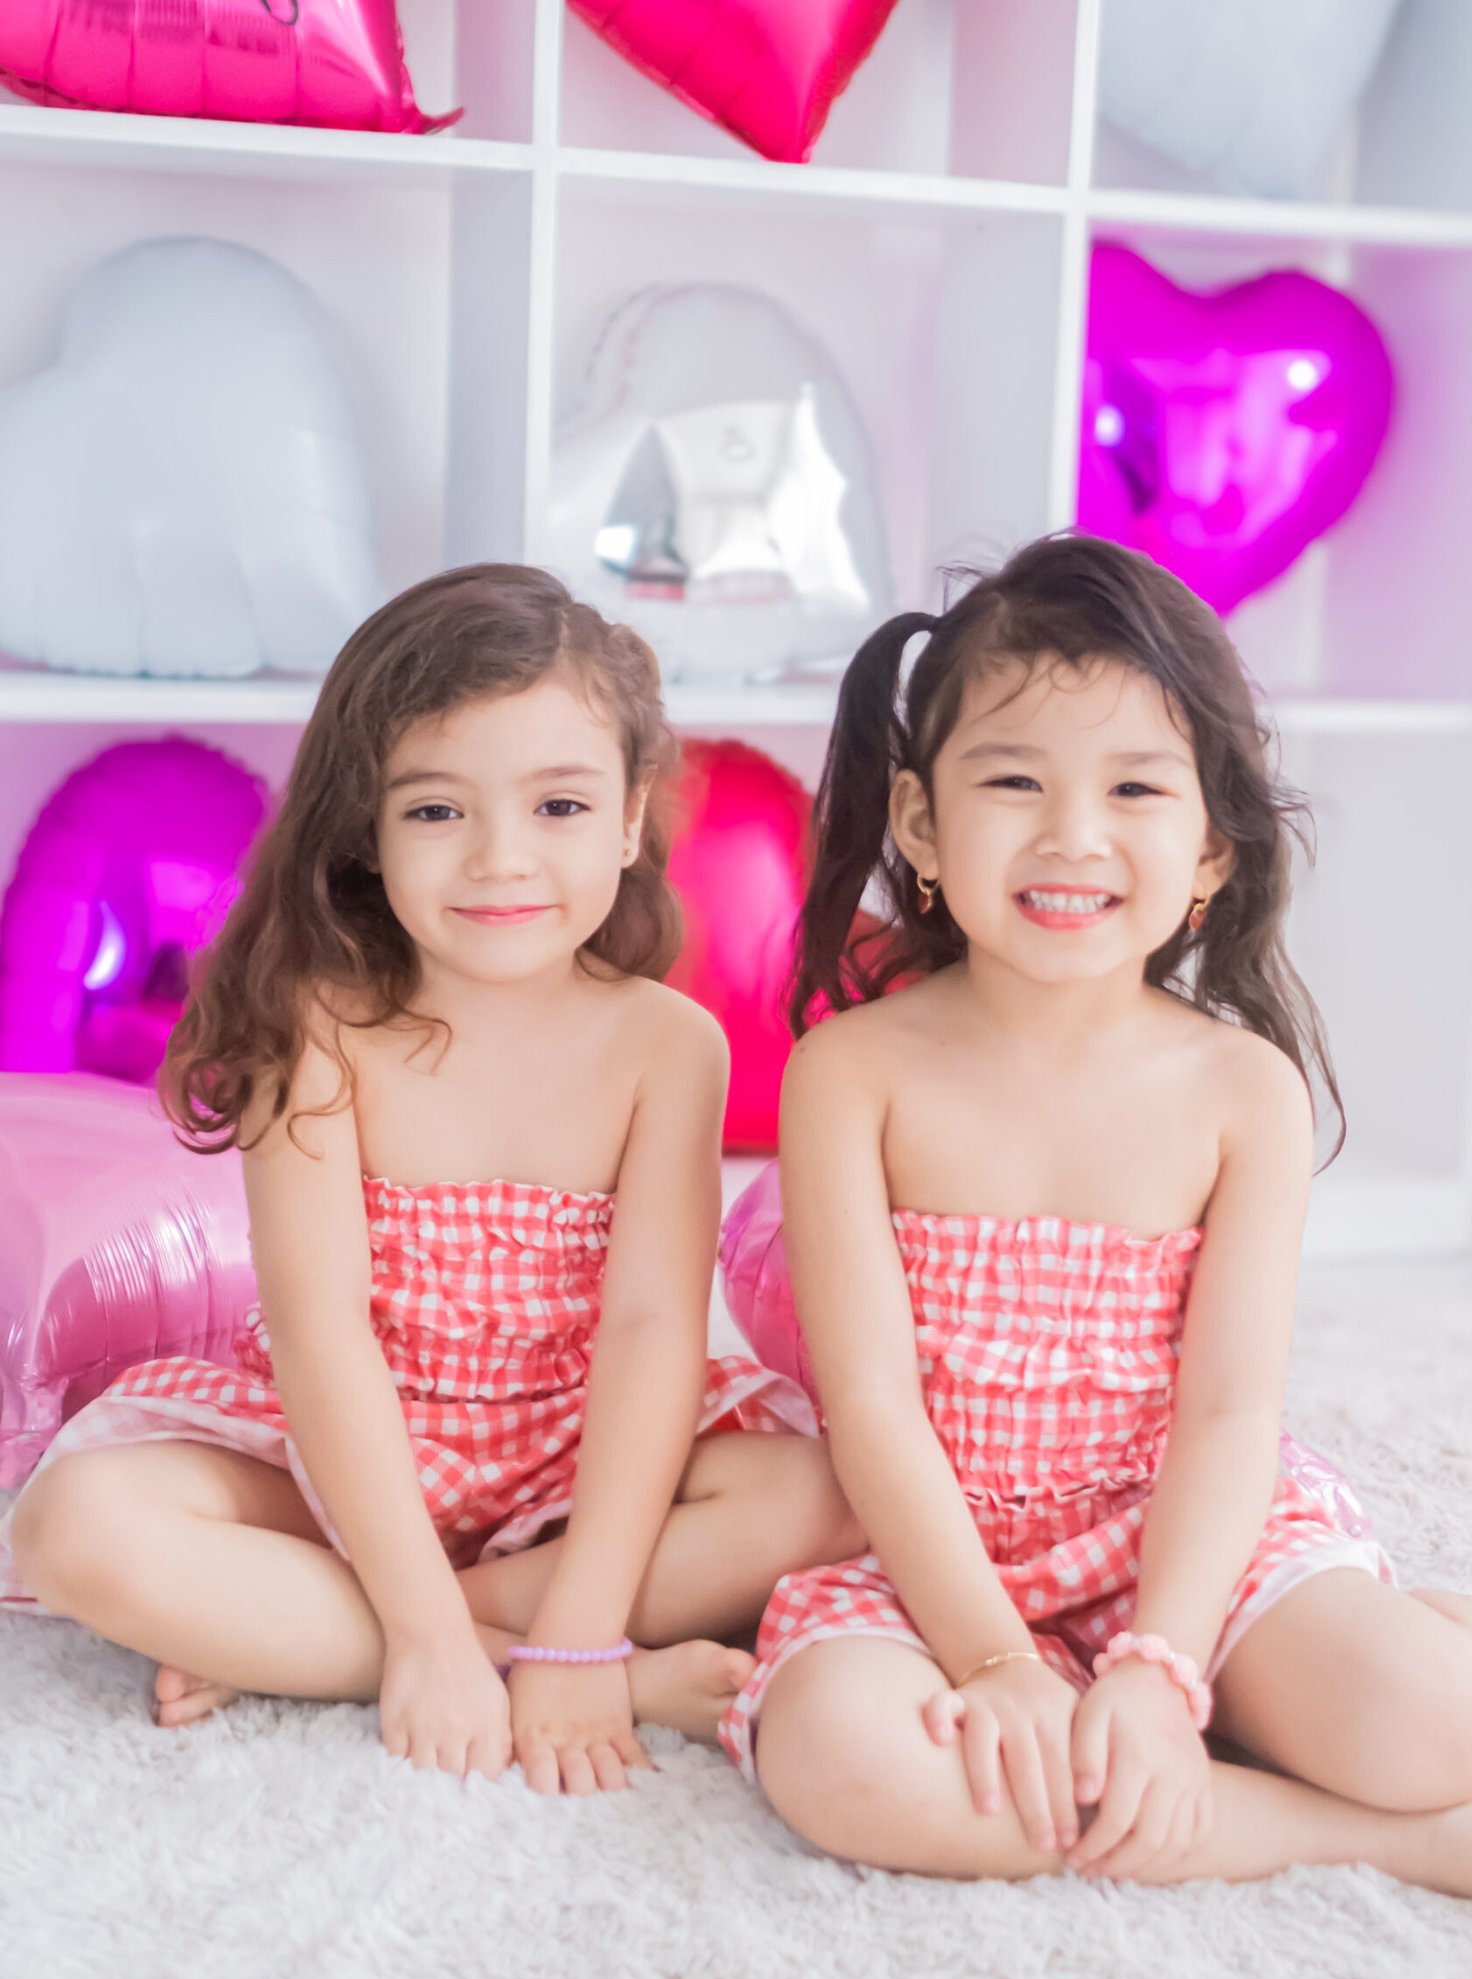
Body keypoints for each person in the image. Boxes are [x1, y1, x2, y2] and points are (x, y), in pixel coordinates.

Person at [721, 532, 1472, 1923]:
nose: (1073, 834)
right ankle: (1382, 1841)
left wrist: (1160, 1665)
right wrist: (996, 1660)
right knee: (844, 1768)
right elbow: (872, 1406)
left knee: (1434, 1723)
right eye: (1015, 780)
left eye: (1134, 786)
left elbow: (1229, 1413)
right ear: (922, 824)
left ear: (1209, 850)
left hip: (1178, 1530)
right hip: (923, 1543)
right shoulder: (852, 1073)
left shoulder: (1240, 1090)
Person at [12, 565, 857, 1790]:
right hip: (340, 1451)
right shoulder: (318, 1026)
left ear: (629, 818)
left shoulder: (669, 1047)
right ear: (365, 829)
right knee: (73, 1527)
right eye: (436, 811)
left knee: (821, 1495)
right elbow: (322, 1334)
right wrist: (420, 1633)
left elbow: (651, 1329)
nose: (500, 860)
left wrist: (582, 1624)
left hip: (571, 1450)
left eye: (558, 806)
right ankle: (469, 1647)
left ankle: (317, 1634)